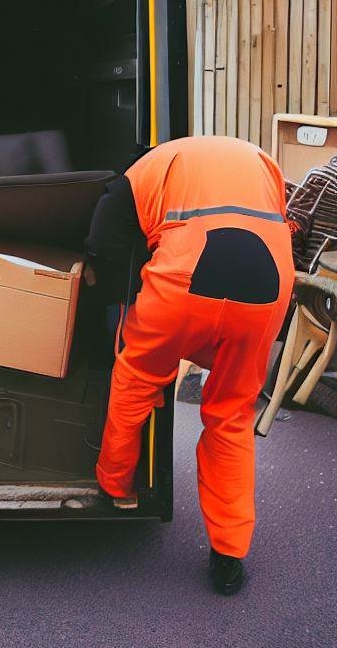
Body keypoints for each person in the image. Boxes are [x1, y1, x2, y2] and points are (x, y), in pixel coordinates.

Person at [84, 135, 294, 596]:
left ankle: (116, 486)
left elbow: (104, 240)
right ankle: (229, 554)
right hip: (267, 286)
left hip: (185, 283)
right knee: (231, 416)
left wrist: (112, 296)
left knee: (136, 378)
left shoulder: (138, 174)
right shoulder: (256, 156)